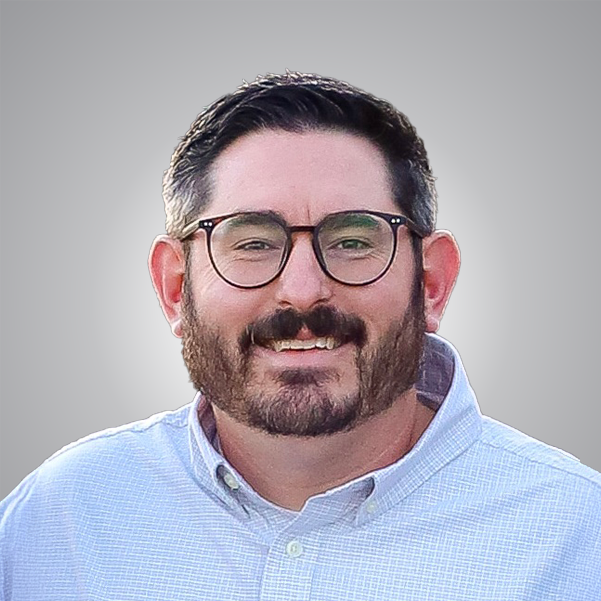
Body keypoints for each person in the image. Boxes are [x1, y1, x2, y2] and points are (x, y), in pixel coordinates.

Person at [1, 72, 599, 600]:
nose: (304, 291)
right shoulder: (56, 523)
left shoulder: (579, 539)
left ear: (432, 284)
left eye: (354, 240)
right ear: (176, 289)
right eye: (253, 242)